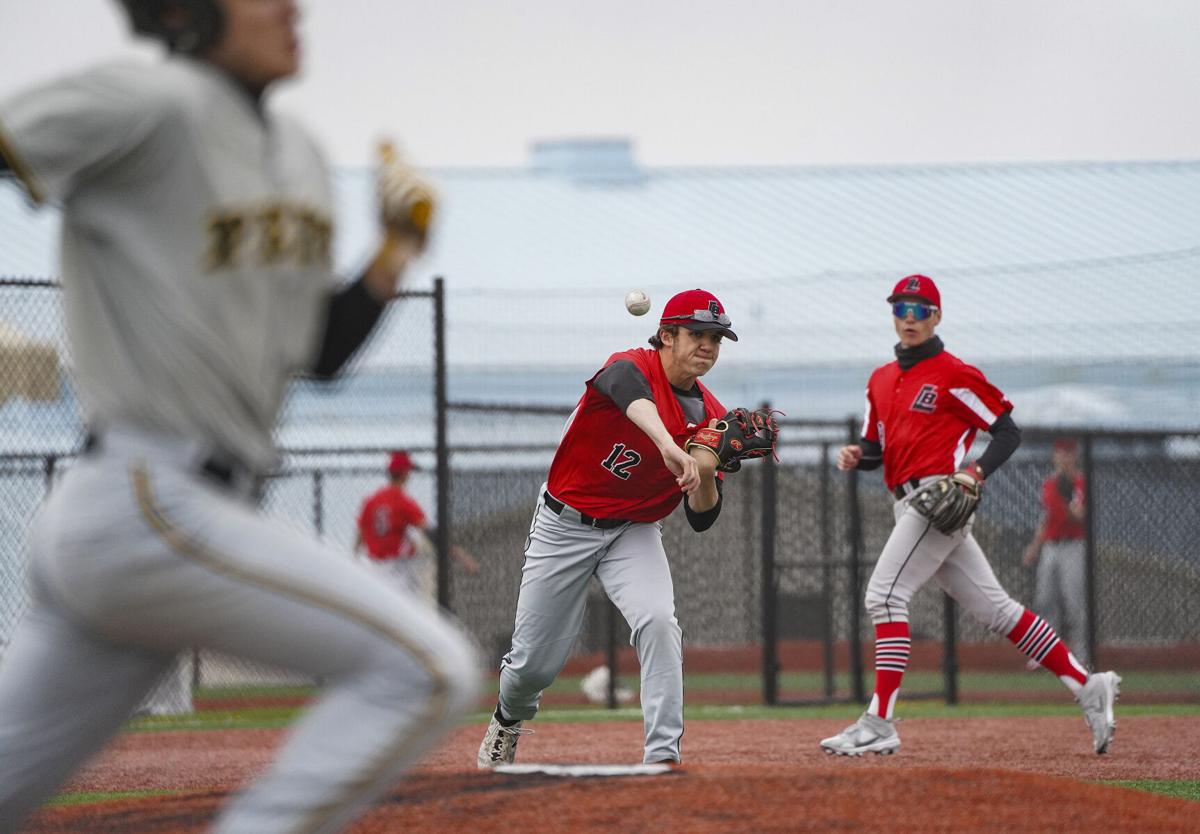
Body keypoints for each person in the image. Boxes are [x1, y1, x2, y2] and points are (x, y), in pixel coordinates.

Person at [0, 2, 478, 832]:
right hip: (148, 495)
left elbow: (318, 353)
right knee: (426, 668)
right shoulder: (150, 104)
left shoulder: (300, 157)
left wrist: (392, 253)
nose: (293, 9)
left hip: (173, 515)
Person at [819, 275, 1120, 758]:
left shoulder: (953, 373)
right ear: (892, 314)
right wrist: (859, 455)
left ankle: (879, 721)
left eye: (920, 309)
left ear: (936, 316)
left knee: (885, 596)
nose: (909, 318)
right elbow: (876, 449)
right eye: (901, 308)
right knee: (997, 610)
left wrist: (975, 473)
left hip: (938, 501)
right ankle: (1088, 686)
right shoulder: (880, 379)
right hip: (907, 503)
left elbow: (1006, 431)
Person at [477, 289, 747, 768]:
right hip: (565, 524)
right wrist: (667, 444)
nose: (708, 345)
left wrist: (704, 473)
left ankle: (662, 758)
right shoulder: (631, 365)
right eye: (697, 334)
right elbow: (627, 391)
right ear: (666, 335)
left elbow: (703, 517)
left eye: (717, 338)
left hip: (633, 531)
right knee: (531, 667)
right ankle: (508, 717)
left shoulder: (712, 418)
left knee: (660, 623)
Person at [354, 450, 479, 601]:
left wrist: (354, 563)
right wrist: (460, 555)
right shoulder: (403, 502)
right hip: (397, 570)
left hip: (373, 569)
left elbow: (359, 538)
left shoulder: (371, 501)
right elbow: (429, 533)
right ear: (404, 473)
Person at [1022, 438, 1089, 668]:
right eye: (1060, 453)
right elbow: (1046, 517)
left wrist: (1065, 497)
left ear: (1075, 456)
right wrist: (1034, 546)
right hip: (1051, 546)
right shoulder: (1050, 483)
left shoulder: (1080, 482)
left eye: (1068, 453)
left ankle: (1081, 654)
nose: (1063, 458)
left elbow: (1079, 515)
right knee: (1044, 599)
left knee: (1074, 602)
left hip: (1073, 546)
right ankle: (1044, 653)